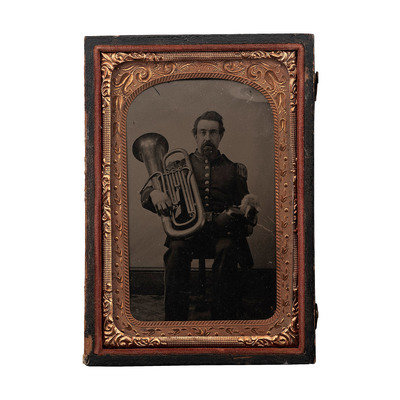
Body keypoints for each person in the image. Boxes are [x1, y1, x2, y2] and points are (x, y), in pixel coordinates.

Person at [140, 111, 259, 320]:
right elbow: (147, 191)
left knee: (228, 249)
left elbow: (245, 203)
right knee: (176, 251)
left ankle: (222, 321)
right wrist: (155, 194)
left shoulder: (234, 169)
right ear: (195, 135)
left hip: (221, 234)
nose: (207, 137)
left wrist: (247, 209)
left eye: (213, 132)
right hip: (188, 234)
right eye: (203, 132)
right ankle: (174, 322)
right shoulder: (178, 165)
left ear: (221, 136)